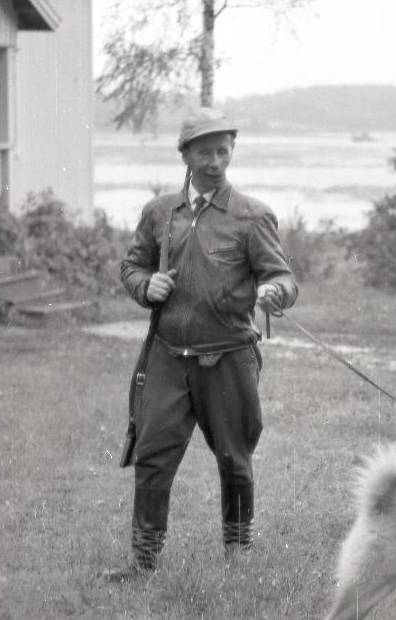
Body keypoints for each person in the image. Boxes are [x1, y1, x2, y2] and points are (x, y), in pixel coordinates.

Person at [108, 107, 298, 577]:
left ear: (232, 150)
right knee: (152, 455)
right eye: (205, 152)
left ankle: (238, 558)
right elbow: (131, 267)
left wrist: (275, 293)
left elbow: (282, 277)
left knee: (235, 459)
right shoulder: (159, 213)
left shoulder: (253, 217)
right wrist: (144, 284)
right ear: (186, 156)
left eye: (223, 150)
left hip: (229, 357)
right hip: (168, 356)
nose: (215, 161)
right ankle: (142, 563)